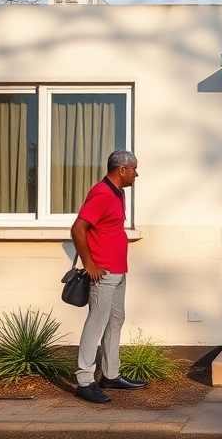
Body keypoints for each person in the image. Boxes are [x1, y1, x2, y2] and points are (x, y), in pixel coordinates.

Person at [72, 149, 147, 404]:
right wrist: (89, 264)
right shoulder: (102, 194)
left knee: (116, 321)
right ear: (121, 170)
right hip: (102, 273)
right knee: (96, 323)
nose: (136, 173)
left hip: (118, 271)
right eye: (134, 169)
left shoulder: (118, 193)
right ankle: (84, 380)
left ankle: (111, 375)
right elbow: (78, 228)